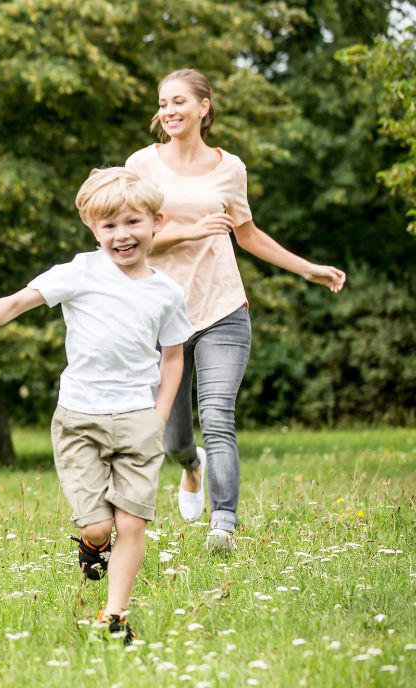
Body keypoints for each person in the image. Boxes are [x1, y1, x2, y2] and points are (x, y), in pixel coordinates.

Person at [0, 168, 191, 644]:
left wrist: (159, 416)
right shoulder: (80, 271)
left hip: (138, 419)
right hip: (80, 417)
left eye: (132, 223)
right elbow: (21, 300)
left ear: (156, 222)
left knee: (132, 521)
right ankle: (90, 544)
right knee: (102, 525)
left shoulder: (167, 292)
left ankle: (114, 615)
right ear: (92, 229)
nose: (121, 235)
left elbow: (174, 356)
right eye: (109, 227)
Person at [125, 69, 346, 552]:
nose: (169, 111)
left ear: (205, 106)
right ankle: (191, 467)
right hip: (163, 315)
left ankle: (223, 522)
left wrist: (308, 269)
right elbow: (127, 238)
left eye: (179, 101)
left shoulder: (231, 168)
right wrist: (190, 231)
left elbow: (247, 235)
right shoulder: (140, 165)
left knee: (219, 414)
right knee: (173, 437)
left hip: (223, 307)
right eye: (163, 103)